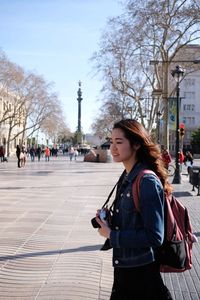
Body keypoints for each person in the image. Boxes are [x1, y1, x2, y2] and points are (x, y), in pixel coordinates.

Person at [95, 119, 173, 300]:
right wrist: (109, 222)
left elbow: (155, 236)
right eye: (111, 141)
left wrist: (112, 235)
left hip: (141, 275)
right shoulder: (127, 175)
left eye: (119, 142)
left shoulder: (146, 181)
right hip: (125, 267)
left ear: (136, 144)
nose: (113, 147)